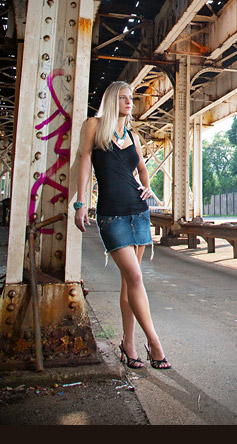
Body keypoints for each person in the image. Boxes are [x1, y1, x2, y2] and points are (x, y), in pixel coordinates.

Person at [74, 81, 170, 370]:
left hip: (138, 213)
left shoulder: (132, 136)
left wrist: (147, 186)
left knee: (130, 281)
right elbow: (85, 160)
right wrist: (80, 202)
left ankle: (128, 345)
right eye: (124, 98)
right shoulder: (94, 126)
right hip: (111, 215)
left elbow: (142, 168)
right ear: (112, 99)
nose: (130, 102)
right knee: (136, 278)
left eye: (132, 98)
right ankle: (155, 343)